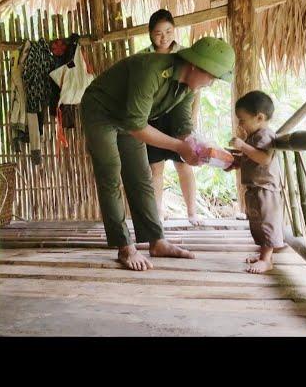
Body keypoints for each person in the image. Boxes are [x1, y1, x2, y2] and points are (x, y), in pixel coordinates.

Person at [80, 37, 235, 271]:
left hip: (129, 118)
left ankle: (156, 241)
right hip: (101, 111)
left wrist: (201, 151)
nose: (211, 83)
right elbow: (138, 126)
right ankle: (125, 247)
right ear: (195, 65)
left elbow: (183, 127)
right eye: (211, 76)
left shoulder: (188, 88)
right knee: (110, 173)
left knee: (141, 176)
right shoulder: (151, 70)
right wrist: (180, 148)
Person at [138, 9, 202, 225]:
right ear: (149, 34)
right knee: (155, 167)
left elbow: (196, 89)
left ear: (174, 30)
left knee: (183, 164)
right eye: (158, 33)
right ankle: (158, 215)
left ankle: (192, 213)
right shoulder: (143, 57)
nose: (163, 37)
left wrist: (192, 118)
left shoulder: (186, 55)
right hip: (152, 118)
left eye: (168, 31)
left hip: (178, 117)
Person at [228, 90, 284, 274]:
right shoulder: (253, 137)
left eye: (242, 120)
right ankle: (263, 255)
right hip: (254, 187)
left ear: (259, 117)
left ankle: (266, 259)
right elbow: (250, 158)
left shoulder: (265, 135)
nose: (240, 124)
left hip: (266, 187)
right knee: (257, 224)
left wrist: (243, 147)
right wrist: (235, 162)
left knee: (268, 223)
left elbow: (264, 158)